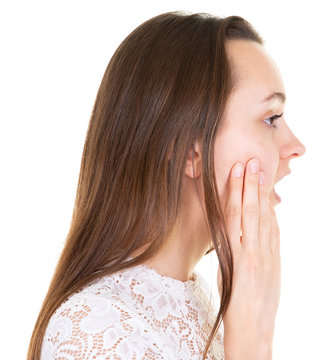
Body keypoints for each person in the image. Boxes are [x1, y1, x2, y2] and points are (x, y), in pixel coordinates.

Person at [27, 10, 306, 360]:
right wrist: (253, 340)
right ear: (190, 150)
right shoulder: (92, 329)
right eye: (270, 119)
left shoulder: (200, 303)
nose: (295, 146)